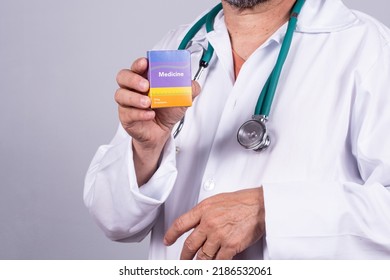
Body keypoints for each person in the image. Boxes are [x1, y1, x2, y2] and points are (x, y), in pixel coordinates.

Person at [84, 0, 390, 259]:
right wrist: (145, 149)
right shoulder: (178, 49)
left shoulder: (368, 50)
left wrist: (268, 210)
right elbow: (115, 221)